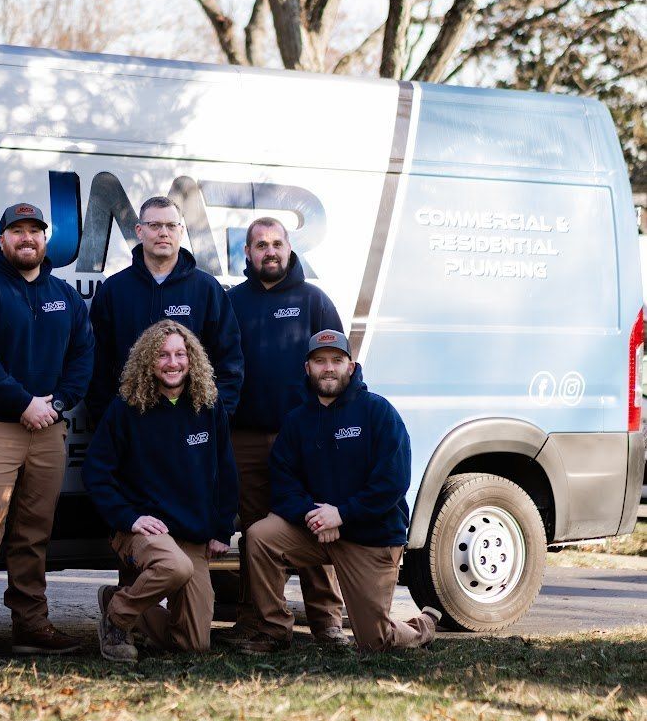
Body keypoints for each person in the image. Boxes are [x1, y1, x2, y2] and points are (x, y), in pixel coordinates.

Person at [0, 202, 94, 659]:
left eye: (35, 231)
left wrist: (59, 403)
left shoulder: (65, 296)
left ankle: (31, 625)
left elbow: (83, 357)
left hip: (48, 426)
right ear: (1, 239)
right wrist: (22, 402)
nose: (27, 239)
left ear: (45, 240)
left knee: (34, 532)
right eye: (17, 231)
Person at [245, 330, 440, 652]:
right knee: (260, 536)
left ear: (351, 366)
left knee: (375, 641)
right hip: (315, 530)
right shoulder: (297, 421)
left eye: (337, 360)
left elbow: (392, 482)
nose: (329, 368)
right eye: (320, 361)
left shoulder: (378, 412)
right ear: (307, 368)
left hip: (369, 536)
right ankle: (274, 630)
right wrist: (313, 515)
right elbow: (283, 482)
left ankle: (423, 626)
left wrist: (342, 515)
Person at [225, 218, 347, 653]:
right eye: (261, 245)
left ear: (290, 247)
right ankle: (258, 618)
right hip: (245, 437)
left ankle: (327, 620)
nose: (269, 251)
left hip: (305, 438)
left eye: (277, 243)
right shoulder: (231, 302)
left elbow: (341, 367)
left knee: (314, 522)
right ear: (247, 253)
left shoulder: (313, 300)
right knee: (257, 533)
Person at [83, 320, 238, 662]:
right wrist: (129, 517)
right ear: (148, 361)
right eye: (163, 354)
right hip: (143, 530)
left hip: (192, 535)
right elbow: (96, 472)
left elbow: (225, 472)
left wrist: (222, 529)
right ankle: (117, 619)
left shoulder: (209, 408)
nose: (173, 362)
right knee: (175, 567)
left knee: (193, 645)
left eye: (180, 354)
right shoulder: (126, 409)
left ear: (192, 359)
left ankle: (114, 599)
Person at [86, 195, 243, 423]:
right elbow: (97, 363)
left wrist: (217, 415)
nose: (163, 233)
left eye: (171, 226)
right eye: (155, 225)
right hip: (130, 423)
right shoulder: (114, 290)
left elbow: (229, 358)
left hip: (192, 421)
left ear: (180, 231)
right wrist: (107, 418)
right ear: (139, 231)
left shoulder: (206, 289)